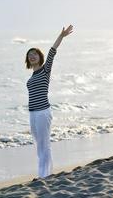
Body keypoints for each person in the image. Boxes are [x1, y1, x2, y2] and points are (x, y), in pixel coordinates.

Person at [25, 25, 74, 178]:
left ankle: (44, 175)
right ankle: (44, 173)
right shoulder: (32, 76)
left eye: (35, 54)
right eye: (29, 55)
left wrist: (62, 36)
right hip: (33, 114)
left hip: (42, 113)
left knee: (44, 145)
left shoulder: (45, 70)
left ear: (40, 56)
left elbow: (52, 51)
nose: (32, 56)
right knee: (39, 145)